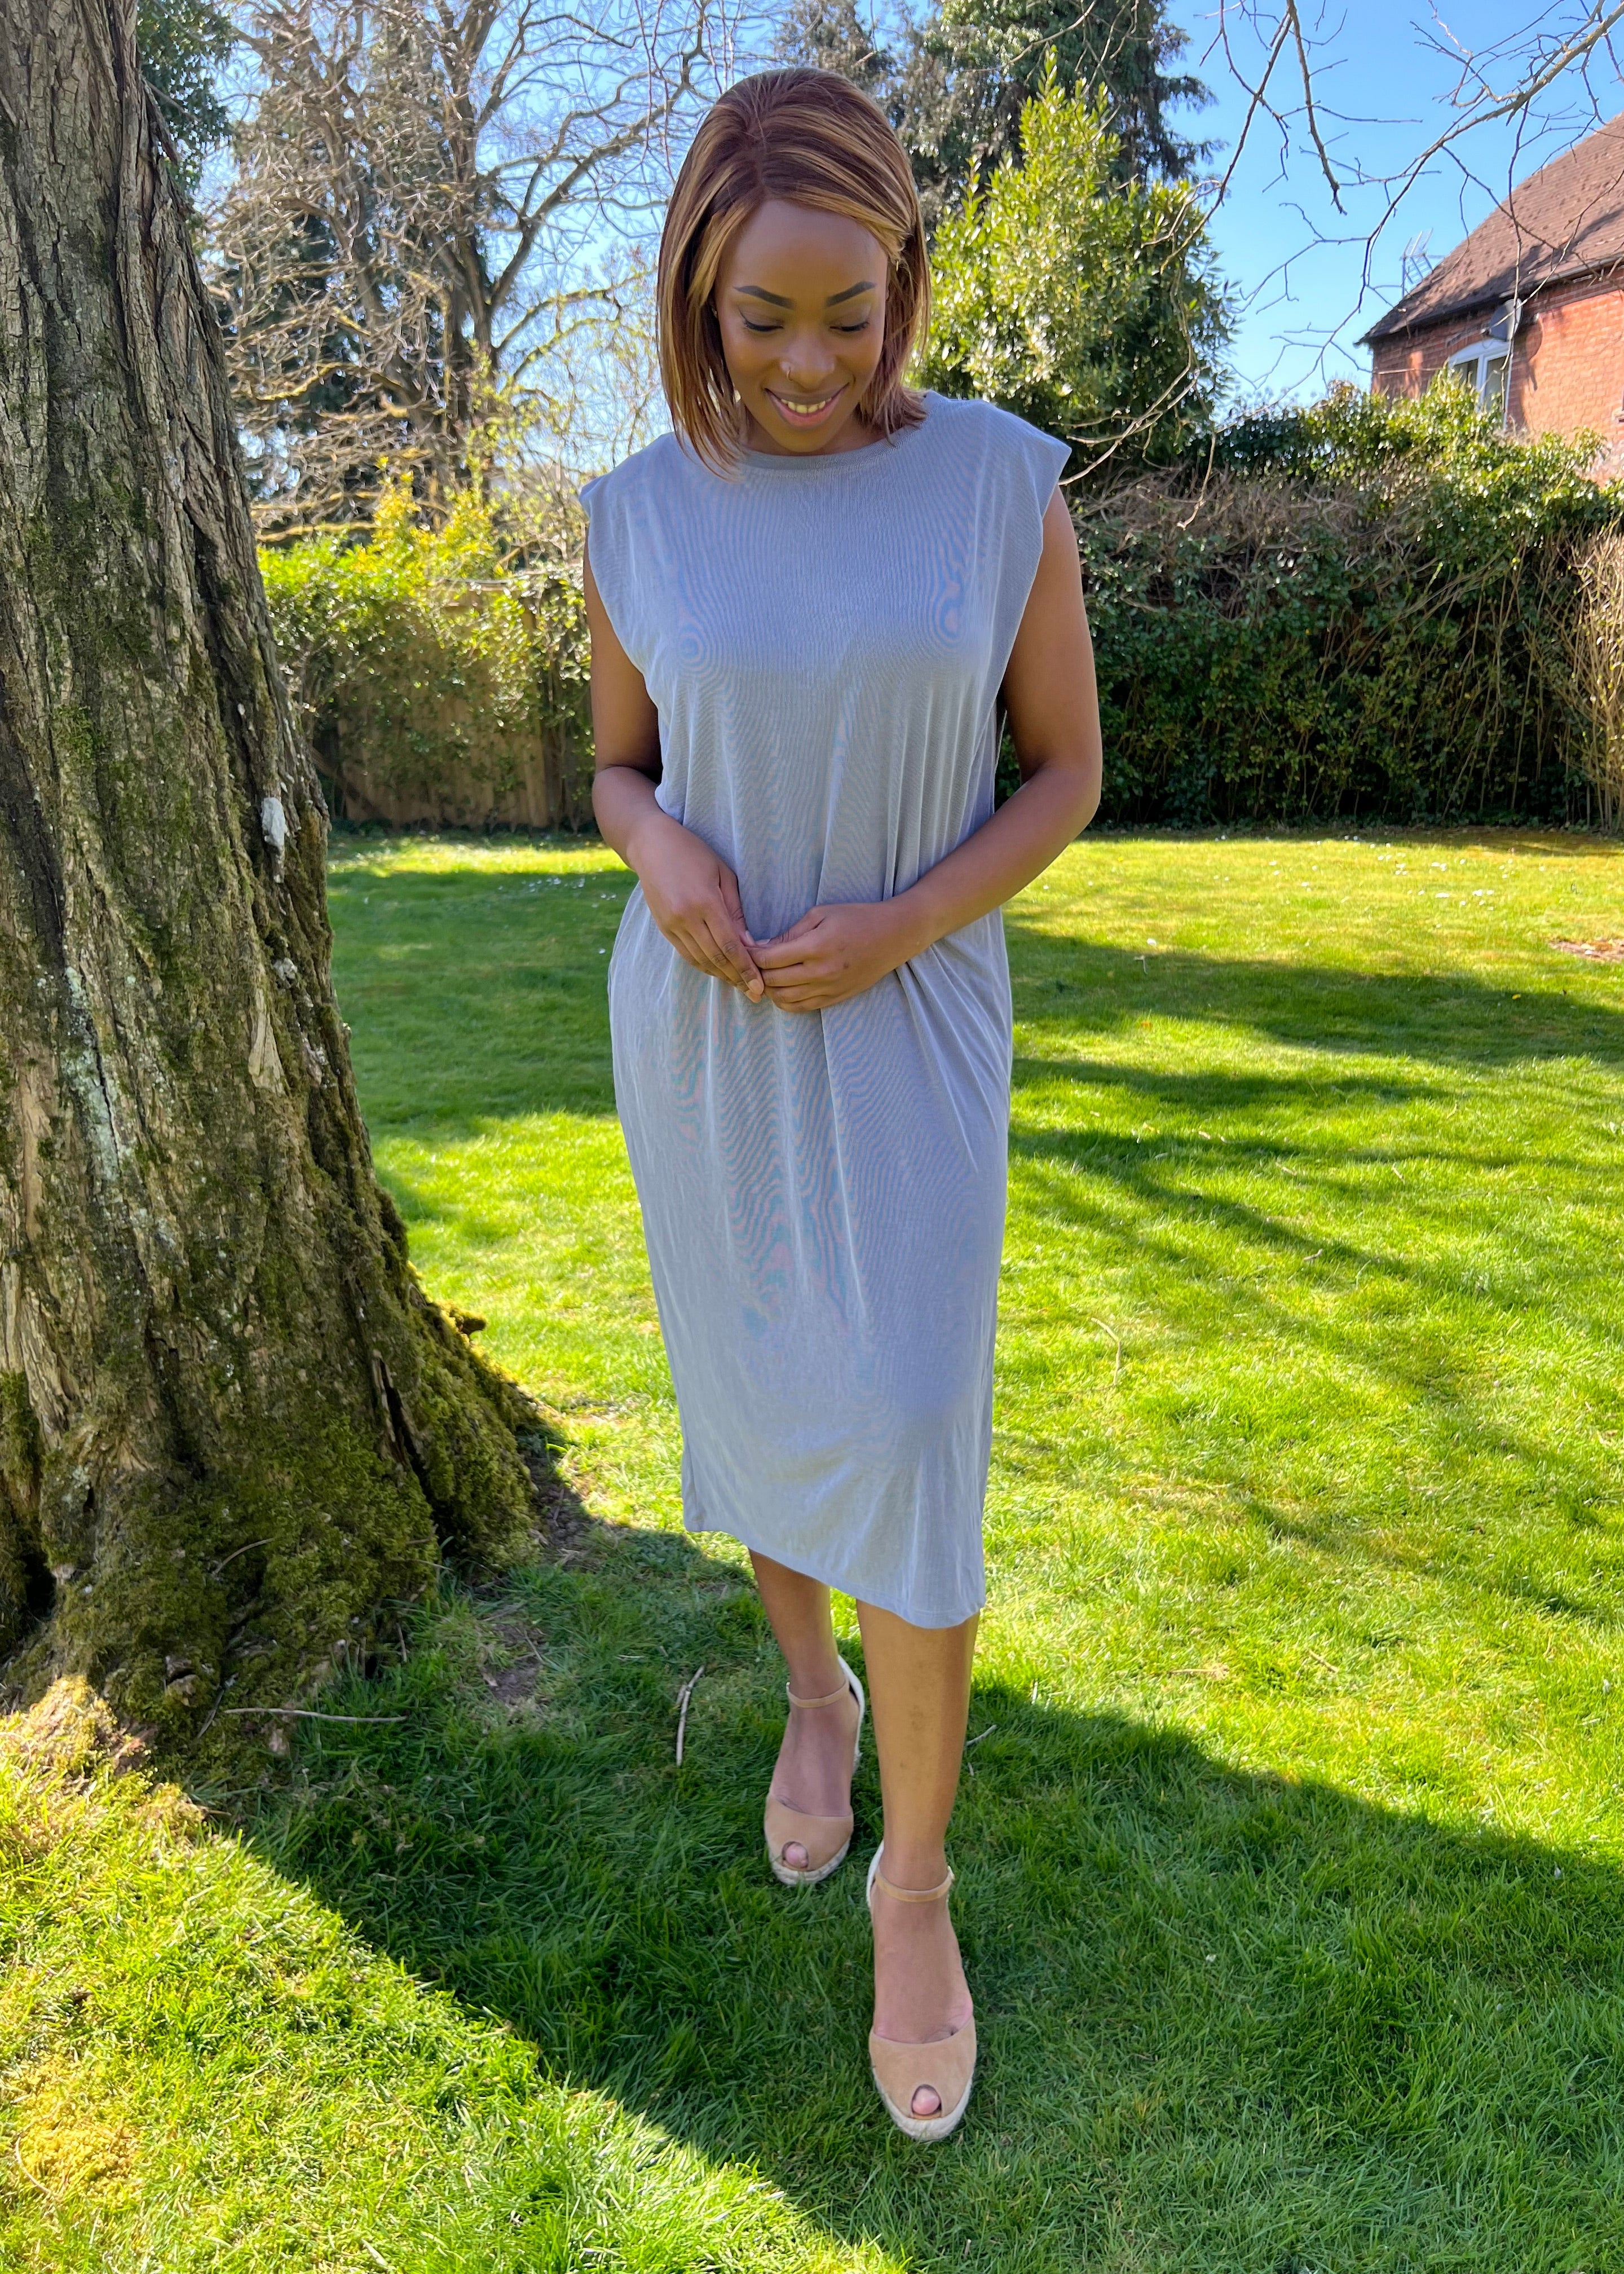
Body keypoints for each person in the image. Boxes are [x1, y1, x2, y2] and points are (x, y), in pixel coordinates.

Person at [582, 65, 1101, 2141]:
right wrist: (660, 855)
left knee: (903, 1425)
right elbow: (616, 765)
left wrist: (898, 922)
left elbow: (1064, 772)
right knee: (767, 1388)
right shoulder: (631, 510)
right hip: (703, 1034)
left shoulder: (997, 485)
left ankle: (917, 1878)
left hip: (909, 1028)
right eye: (759, 319)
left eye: (849, 312)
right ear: (697, 295)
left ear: (906, 278)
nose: (808, 364)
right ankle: (811, 1700)